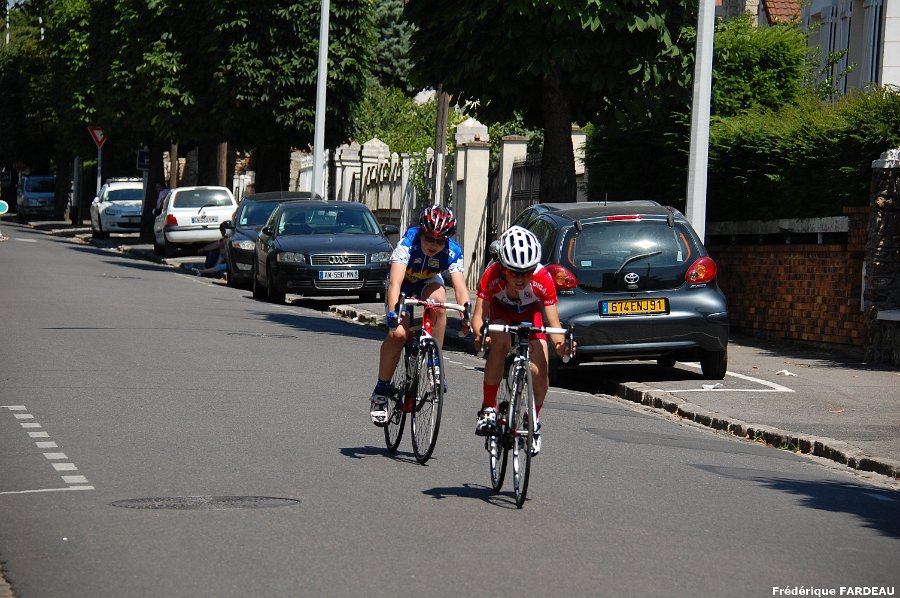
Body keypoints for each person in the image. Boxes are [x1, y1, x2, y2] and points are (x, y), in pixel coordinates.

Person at [368, 205, 472, 426]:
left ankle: (435, 363)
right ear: (421, 234)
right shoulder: (408, 243)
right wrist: (394, 313)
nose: (434, 245)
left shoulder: (453, 251)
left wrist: (466, 315)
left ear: (447, 240)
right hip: (403, 285)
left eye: (440, 241)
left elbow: (461, 289)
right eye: (429, 239)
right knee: (398, 334)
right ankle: (381, 391)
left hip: (427, 282)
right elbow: (395, 284)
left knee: (439, 301)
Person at [471, 225, 569, 456]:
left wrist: (562, 346)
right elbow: (478, 317)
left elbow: (554, 324)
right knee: (500, 342)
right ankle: (488, 408)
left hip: (530, 314)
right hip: (501, 312)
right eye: (514, 272)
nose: (521, 278)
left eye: (527, 272)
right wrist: (480, 336)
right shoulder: (491, 275)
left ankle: (532, 421)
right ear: (503, 268)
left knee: (541, 368)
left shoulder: (542, 278)